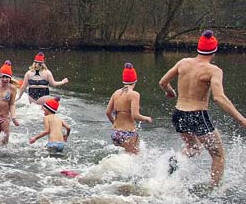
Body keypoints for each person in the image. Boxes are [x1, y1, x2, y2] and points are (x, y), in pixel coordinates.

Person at [158, 30, 246, 187]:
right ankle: (213, 190)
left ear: (198, 48)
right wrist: (241, 119)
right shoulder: (213, 70)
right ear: (214, 51)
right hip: (197, 115)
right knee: (218, 155)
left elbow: (163, 82)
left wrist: (171, 93)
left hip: (178, 114)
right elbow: (219, 98)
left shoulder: (183, 63)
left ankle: (176, 160)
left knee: (194, 148)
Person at [105, 63, 152, 154]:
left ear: (124, 81)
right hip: (128, 134)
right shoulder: (134, 94)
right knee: (135, 158)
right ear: (135, 81)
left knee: (124, 157)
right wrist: (147, 118)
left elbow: (107, 112)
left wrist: (114, 123)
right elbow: (135, 115)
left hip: (115, 134)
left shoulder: (116, 93)